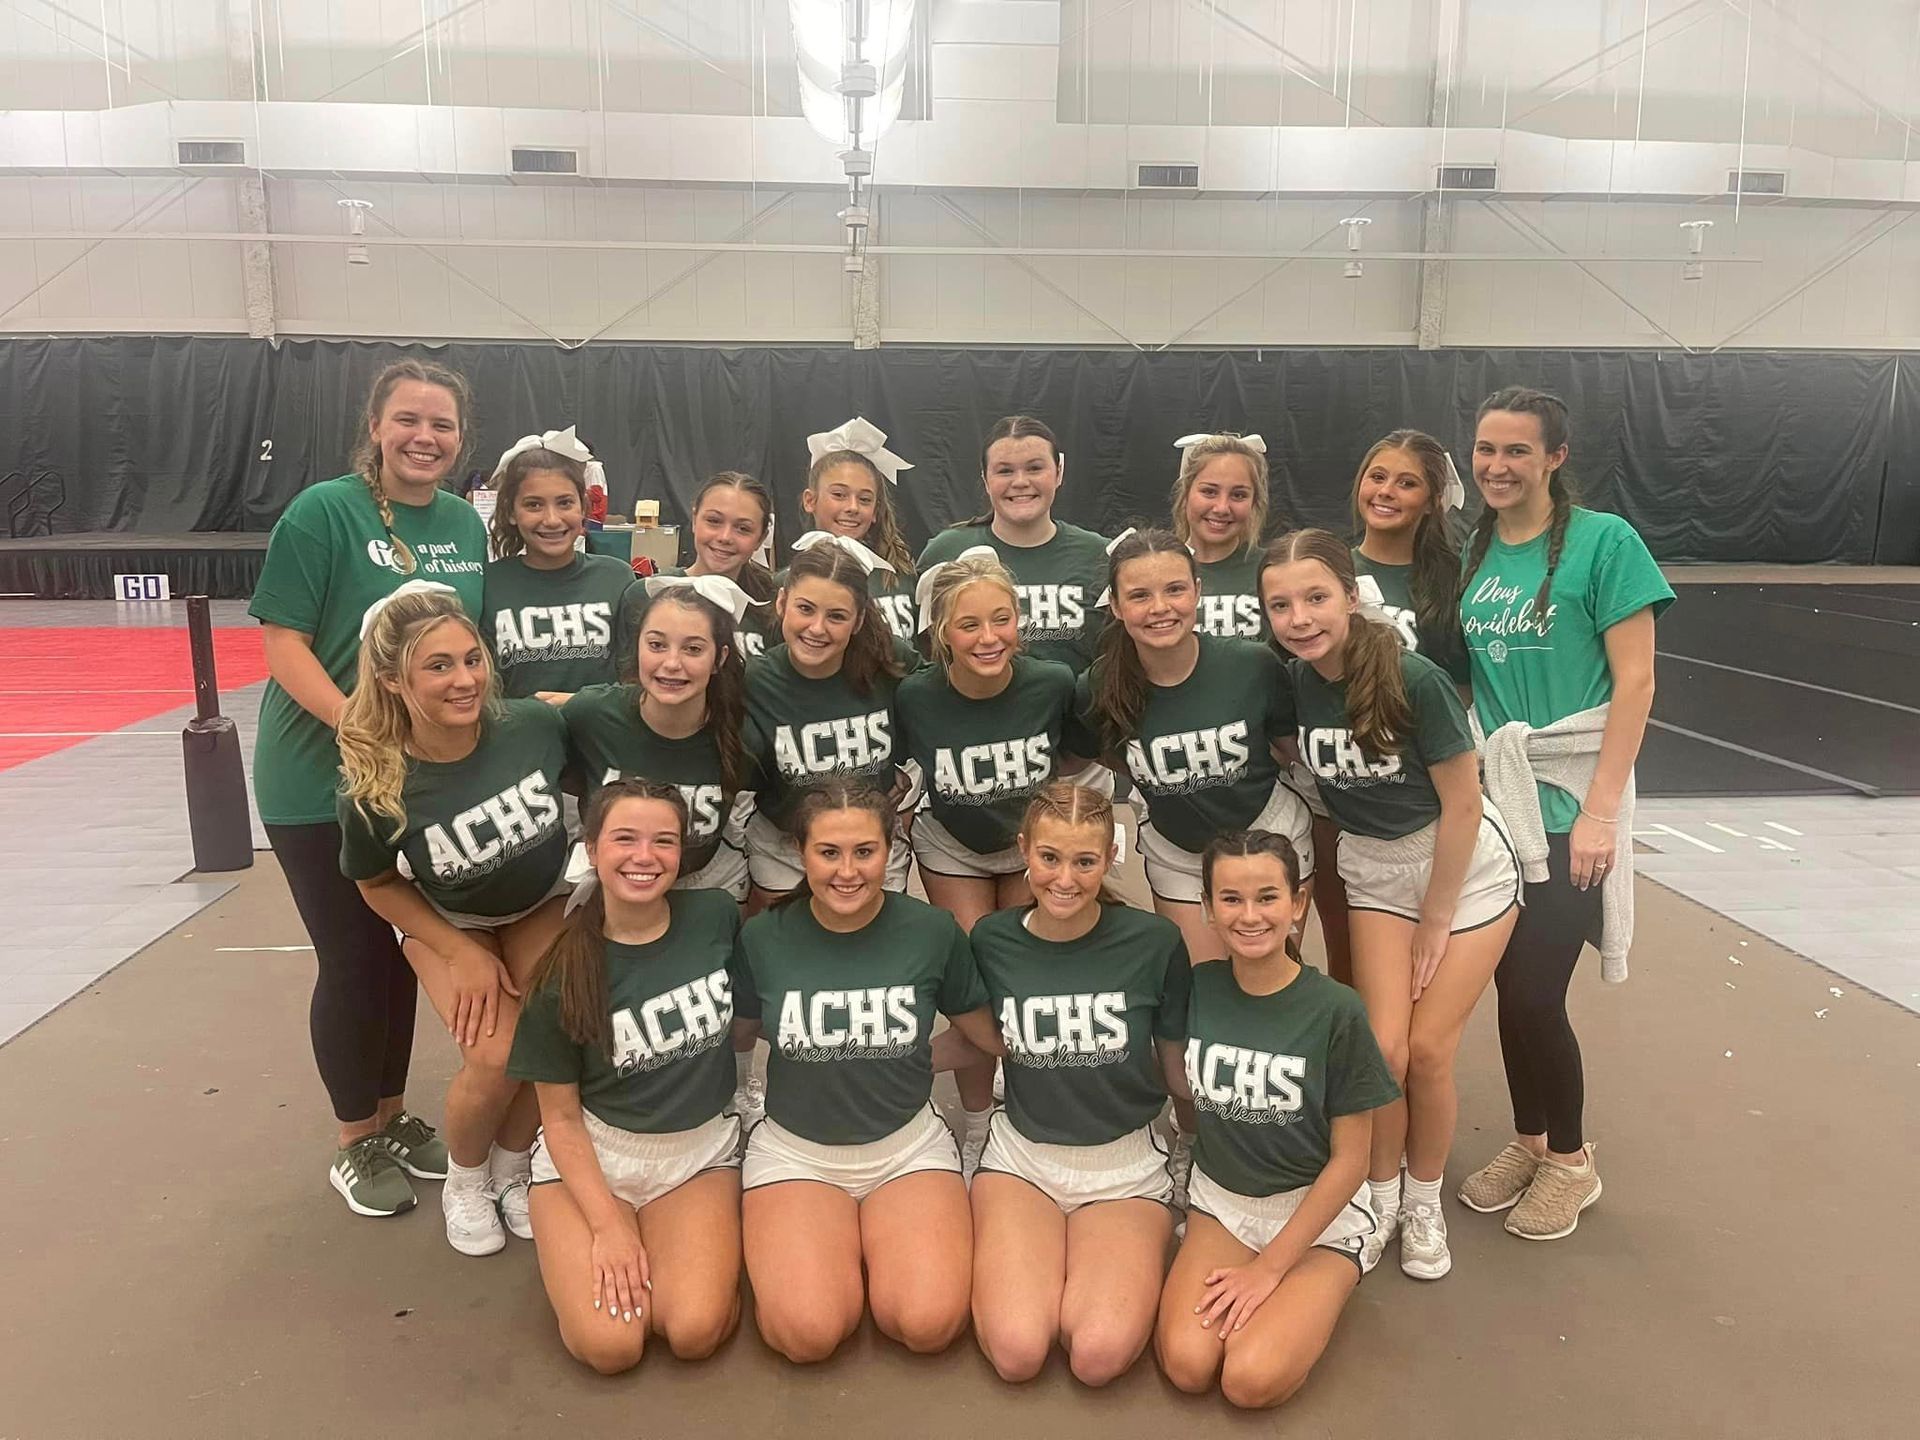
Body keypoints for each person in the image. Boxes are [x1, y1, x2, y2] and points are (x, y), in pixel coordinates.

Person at [249, 358, 488, 1219]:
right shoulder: (324, 512)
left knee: (400, 955)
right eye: (408, 420)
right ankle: (355, 1139)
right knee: (353, 956)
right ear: (377, 427)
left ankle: (391, 1115)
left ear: (461, 439)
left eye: (442, 424)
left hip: (412, 784)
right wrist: (359, 722)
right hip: (318, 779)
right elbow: (283, 642)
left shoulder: (463, 523)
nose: (425, 437)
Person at [1261, 530, 1520, 1279]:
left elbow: (1464, 804)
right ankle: (1378, 1197)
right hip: (1374, 869)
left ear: (1351, 595)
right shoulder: (1296, 683)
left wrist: (1436, 918)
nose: (1300, 618)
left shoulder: (1414, 677)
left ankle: (1423, 1201)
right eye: (1281, 605)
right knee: (1384, 1052)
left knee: (1430, 1050)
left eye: (1316, 597)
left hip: (1460, 870)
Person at [1455, 386, 1672, 1240]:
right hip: (1497, 805)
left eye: (1517, 450)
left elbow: (1636, 682)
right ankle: (1530, 1140)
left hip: (1568, 800)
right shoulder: (1474, 550)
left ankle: (1573, 1162)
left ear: (1555, 457)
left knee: (1536, 993)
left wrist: (1601, 811)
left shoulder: (1605, 542)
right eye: (1486, 449)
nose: (1497, 465)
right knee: (1508, 990)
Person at [336, 585, 573, 1255]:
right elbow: (376, 884)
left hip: (539, 901)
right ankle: (465, 1181)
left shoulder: (533, 726)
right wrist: (458, 951)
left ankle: (513, 1165)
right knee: (496, 1054)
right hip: (448, 917)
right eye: (438, 666)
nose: (465, 679)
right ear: (393, 679)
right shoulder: (376, 781)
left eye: (472, 659)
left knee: (559, 1025)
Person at [731, 783, 1003, 1363]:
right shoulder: (762, 936)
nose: (847, 871)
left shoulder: (932, 931)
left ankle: (872, 1247)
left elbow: (986, 1037)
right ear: (800, 851)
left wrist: (905, 1058)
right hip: (796, 1154)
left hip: (907, 1149)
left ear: (892, 847)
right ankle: (821, 1252)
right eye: (828, 852)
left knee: (928, 1324)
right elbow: (739, 1034)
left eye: (864, 851)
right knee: (807, 1333)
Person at [1156, 831, 1400, 1410]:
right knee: (1188, 1365)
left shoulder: (1337, 1010)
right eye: (1231, 899)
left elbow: (1352, 1160)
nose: (1250, 916)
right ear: (1207, 908)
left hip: (1315, 1212)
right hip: (1223, 1202)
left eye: (1267, 897)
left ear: (1298, 904)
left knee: (1250, 1379)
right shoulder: (1198, 988)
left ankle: (1342, 1266)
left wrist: (1269, 1268)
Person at [507, 780, 745, 1374]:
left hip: (696, 1155)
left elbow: (751, 1015)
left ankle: (689, 1257)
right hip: (596, 1157)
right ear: (592, 849)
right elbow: (560, 1119)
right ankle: (583, 1248)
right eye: (625, 839)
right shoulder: (561, 973)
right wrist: (608, 1227)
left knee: (693, 1331)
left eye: (664, 841)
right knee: (612, 1348)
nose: (645, 856)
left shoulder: (715, 916)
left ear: (682, 851)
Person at [968, 782, 1189, 1387]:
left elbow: (1177, 1065)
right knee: (1017, 1351)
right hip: (1022, 1160)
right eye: (1050, 857)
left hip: (1124, 1167)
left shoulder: (1153, 942)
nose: (1065, 879)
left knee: (1097, 1355)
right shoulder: (991, 939)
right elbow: (981, 1039)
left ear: (1111, 857)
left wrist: (1205, 1149)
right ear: (1024, 850)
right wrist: (883, 1060)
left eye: (1085, 861)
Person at [895, 549, 1081, 1166]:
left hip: (1028, 848)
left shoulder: (1052, 682)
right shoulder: (915, 696)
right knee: (975, 988)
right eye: (969, 624)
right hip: (954, 847)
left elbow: (1078, 755)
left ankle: (1028, 1112)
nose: (989, 637)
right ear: (942, 632)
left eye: (1002, 619)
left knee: (1021, 982)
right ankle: (977, 1125)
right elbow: (892, 763)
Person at [1074, 529, 1312, 965]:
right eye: (1140, 595)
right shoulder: (1097, 686)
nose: (1160, 608)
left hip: (1269, 834)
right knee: (1202, 988)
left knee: (1270, 976)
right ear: (1116, 606)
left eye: (1175, 589)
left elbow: (1291, 750)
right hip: (1179, 854)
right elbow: (1102, 755)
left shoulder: (1252, 665)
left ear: (1198, 591)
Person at [1310, 428, 1475, 985]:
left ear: (1432, 500)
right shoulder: (1327, 569)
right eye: (1377, 476)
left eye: (1406, 483)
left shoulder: (1450, 580)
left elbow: (1462, 687)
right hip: (1337, 799)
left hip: (1416, 801)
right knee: (1348, 958)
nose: (1386, 491)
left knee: (1418, 966)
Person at [562, 575, 765, 902]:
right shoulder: (591, 716)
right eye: (656, 645)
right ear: (637, 646)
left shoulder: (744, 738)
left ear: (720, 658)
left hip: (703, 887)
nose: (672, 664)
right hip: (613, 888)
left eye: (693, 649)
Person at [742, 541, 910, 908]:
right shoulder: (753, 681)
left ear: (858, 621)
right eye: (805, 609)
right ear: (782, 603)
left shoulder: (889, 663)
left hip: (870, 847)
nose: (817, 628)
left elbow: (944, 701)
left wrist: (900, 777)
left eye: (836, 616)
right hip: (783, 851)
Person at [917, 416, 1110, 674]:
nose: (1020, 482)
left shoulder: (1100, 555)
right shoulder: (945, 552)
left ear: (1059, 472)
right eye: (1005, 471)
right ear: (986, 479)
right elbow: (926, 655)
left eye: (1034, 468)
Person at [479, 426, 636, 702]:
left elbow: (635, 682)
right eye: (534, 505)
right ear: (511, 512)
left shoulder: (616, 577)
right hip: (518, 729)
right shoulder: (488, 584)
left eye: (564, 503)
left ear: (583, 508)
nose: (552, 520)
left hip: (599, 730)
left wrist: (579, 704)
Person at [616, 471, 778, 666]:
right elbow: (630, 677)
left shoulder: (773, 605)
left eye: (743, 528)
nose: (725, 537)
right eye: (714, 521)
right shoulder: (646, 594)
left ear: (761, 538)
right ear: (694, 520)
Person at [798, 417, 918, 638]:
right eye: (839, 495)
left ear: (875, 511)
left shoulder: (900, 577)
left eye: (864, 499)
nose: (853, 507)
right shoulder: (792, 579)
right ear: (810, 500)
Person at [1169, 432, 1272, 639]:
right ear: (1185, 493)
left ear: (1254, 502)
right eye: (1209, 492)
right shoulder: (1156, 570)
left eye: (1238, 495)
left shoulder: (1273, 570)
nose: (1222, 508)